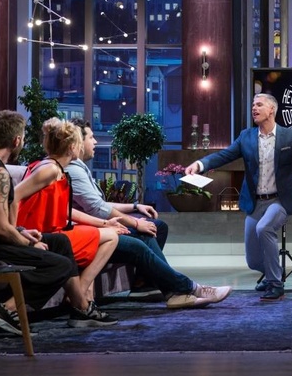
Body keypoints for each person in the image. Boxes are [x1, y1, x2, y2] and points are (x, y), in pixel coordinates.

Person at [0, 110, 113, 334]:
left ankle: (81, 308)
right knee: (60, 265)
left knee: (61, 243)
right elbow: (1, 229)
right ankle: (5, 312)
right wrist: (28, 243)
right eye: (23, 137)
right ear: (17, 141)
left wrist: (22, 231)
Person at [67, 118, 232, 308]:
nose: (95, 141)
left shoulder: (80, 168)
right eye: (91, 137)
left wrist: (136, 207)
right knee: (143, 236)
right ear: (78, 142)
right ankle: (183, 289)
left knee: (158, 227)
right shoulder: (74, 171)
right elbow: (98, 209)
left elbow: (99, 205)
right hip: (93, 233)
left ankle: (144, 284)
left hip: (98, 228)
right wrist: (136, 223)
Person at [185, 93, 292, 301]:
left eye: (259, 105)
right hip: (255, 202)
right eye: (253, 105)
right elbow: (224, 155)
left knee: (264, 228)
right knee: (253, 261)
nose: (254, 108)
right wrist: (200, 164)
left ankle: (275, 283)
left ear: (271, 110)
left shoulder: (289, 136)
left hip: (280, 200)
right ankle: (274, 271)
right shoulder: (246, 136)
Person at [14, 118, 121, 311]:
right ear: (72, 148)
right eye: (79, 143)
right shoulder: (50, 169)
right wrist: (18, 233)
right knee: (111, 237)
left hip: (51, 231)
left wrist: (103, 223)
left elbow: (63, 211)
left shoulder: (54, 168)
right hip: (40, 234)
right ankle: (81, 295)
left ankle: (81, 298)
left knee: (107, 233)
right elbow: (13, 196)